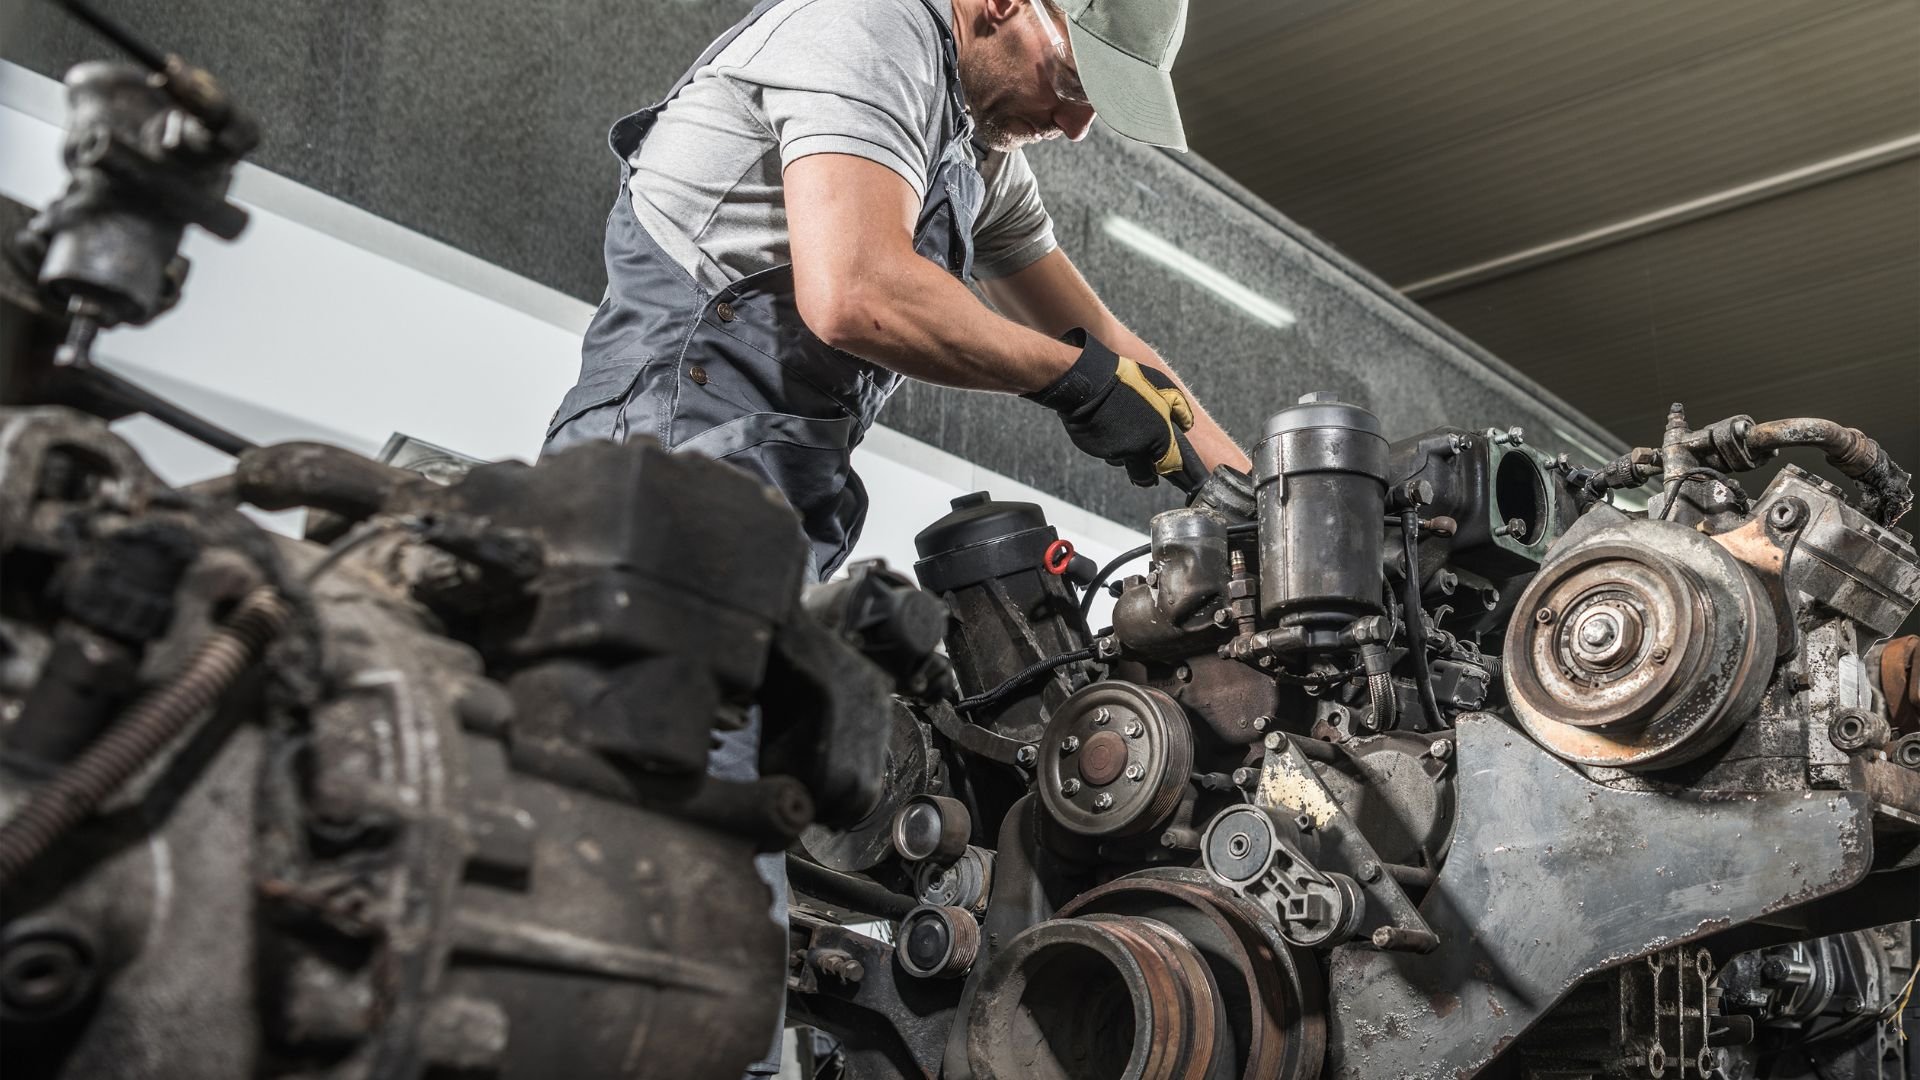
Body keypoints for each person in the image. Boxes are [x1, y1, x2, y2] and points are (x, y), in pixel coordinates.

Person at [541, 0, 1246, 1072]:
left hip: (774, 507)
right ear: (1002, 4)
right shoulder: (863, 30)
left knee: (754, 842)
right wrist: (1071, 383)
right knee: (681, 865)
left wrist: (1264, 512)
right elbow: (856, 291)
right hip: (672, 470)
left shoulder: (976, 153)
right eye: (1074, 76)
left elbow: (1112, 345)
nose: (1078, 124)